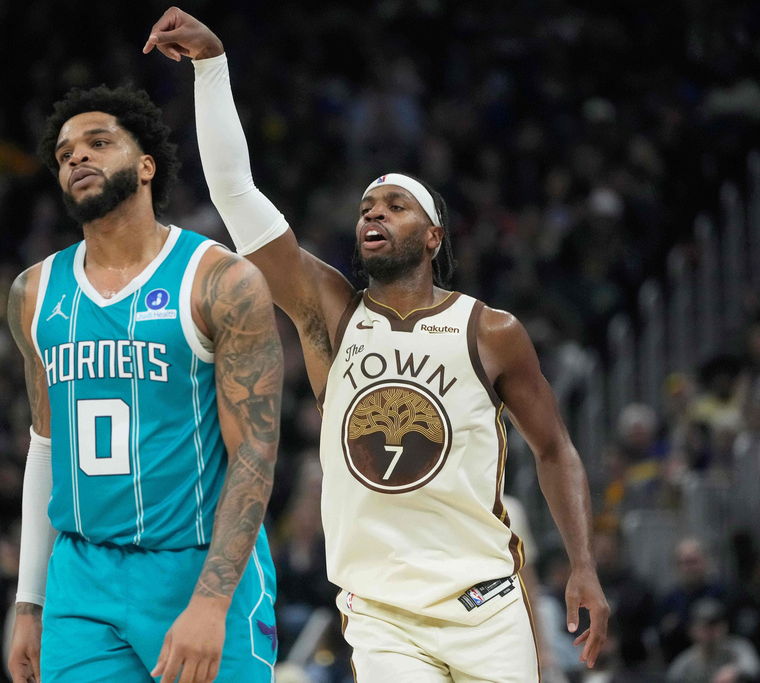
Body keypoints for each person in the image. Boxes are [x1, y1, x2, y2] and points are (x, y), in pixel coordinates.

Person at [144, 8, 609, 682]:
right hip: (382, 613)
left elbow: (554, 449)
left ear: (432, 236)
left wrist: (583, 564)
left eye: (394, 205)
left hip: (487, 602)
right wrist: (213, 68)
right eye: (367, 206)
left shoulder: (492, 331)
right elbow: (237, 195)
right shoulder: (329, 312)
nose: (374, 213)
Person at [5, 81, 284, 683]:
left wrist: (211, 603)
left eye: (98, 142)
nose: (76, 157)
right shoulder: (33, 293)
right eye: (64, 153)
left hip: (199, 568)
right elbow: (46, 445)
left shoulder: (221, 281)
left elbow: (255, 453)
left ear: (147, 165)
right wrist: (30, 602)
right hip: (82, 579)